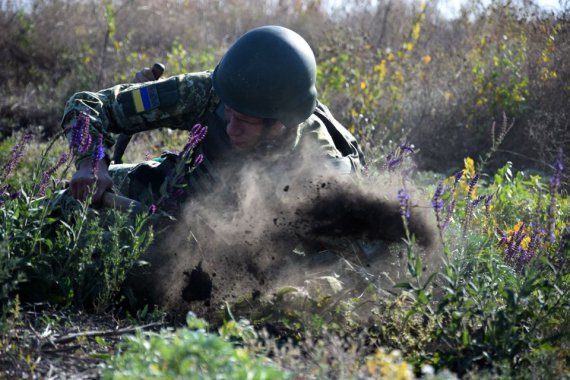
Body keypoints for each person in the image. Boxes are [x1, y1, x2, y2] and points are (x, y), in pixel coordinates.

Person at [61, 25, 366, 210]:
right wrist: (91, 163)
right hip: (182, 190)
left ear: (281, 124)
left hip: (226, 237)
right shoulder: (212, 90)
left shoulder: (323, 166)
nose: (231, 128)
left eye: (245, 121)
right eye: (229, 114)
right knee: (65, 204)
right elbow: (87, 104)